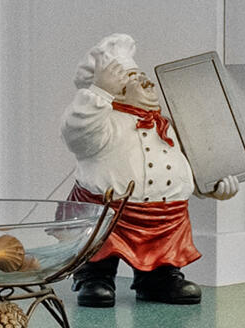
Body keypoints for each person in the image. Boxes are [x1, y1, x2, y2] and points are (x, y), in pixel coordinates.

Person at [62, 34, 233, 307]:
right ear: (115, 89)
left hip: (165, 217)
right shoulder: (102, 123)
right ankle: (95, 277)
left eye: (142, 74)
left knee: (163, 251)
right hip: (110, 212)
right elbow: (76, 131)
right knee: (99, 247)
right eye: (131, 77)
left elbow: (194, 162)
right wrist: (98, 94)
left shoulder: (169, 123)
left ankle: (159, 278)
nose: (147, 81)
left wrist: (212, 184)